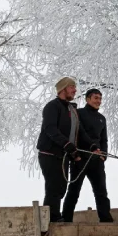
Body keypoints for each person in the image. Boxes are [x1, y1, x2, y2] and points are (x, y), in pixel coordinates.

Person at [36, 77, 100, 222]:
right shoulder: (52, 107)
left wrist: (92, 145)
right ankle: (51, 219)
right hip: (49, 153)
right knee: (54, 186)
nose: (75, 90)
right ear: (63, 89)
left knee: (62, 187)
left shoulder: (71, 109)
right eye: (72, 87)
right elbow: (50, 128)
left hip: (64, 155)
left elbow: (80, 131)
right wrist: (66, 144)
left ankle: (53, 217)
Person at [61, 88, 113, 222]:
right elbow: (78, 133)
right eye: (96, 98)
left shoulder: (102, 119)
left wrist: (104, 155)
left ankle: (106, 220)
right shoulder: (78, 114)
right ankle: (66, 219)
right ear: (88, 99)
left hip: (97, 160)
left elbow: (104, 140)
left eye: (100, 98)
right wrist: (77, 155)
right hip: (80, 159)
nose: (98, 101)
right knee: (74, 190)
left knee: (101, 191)